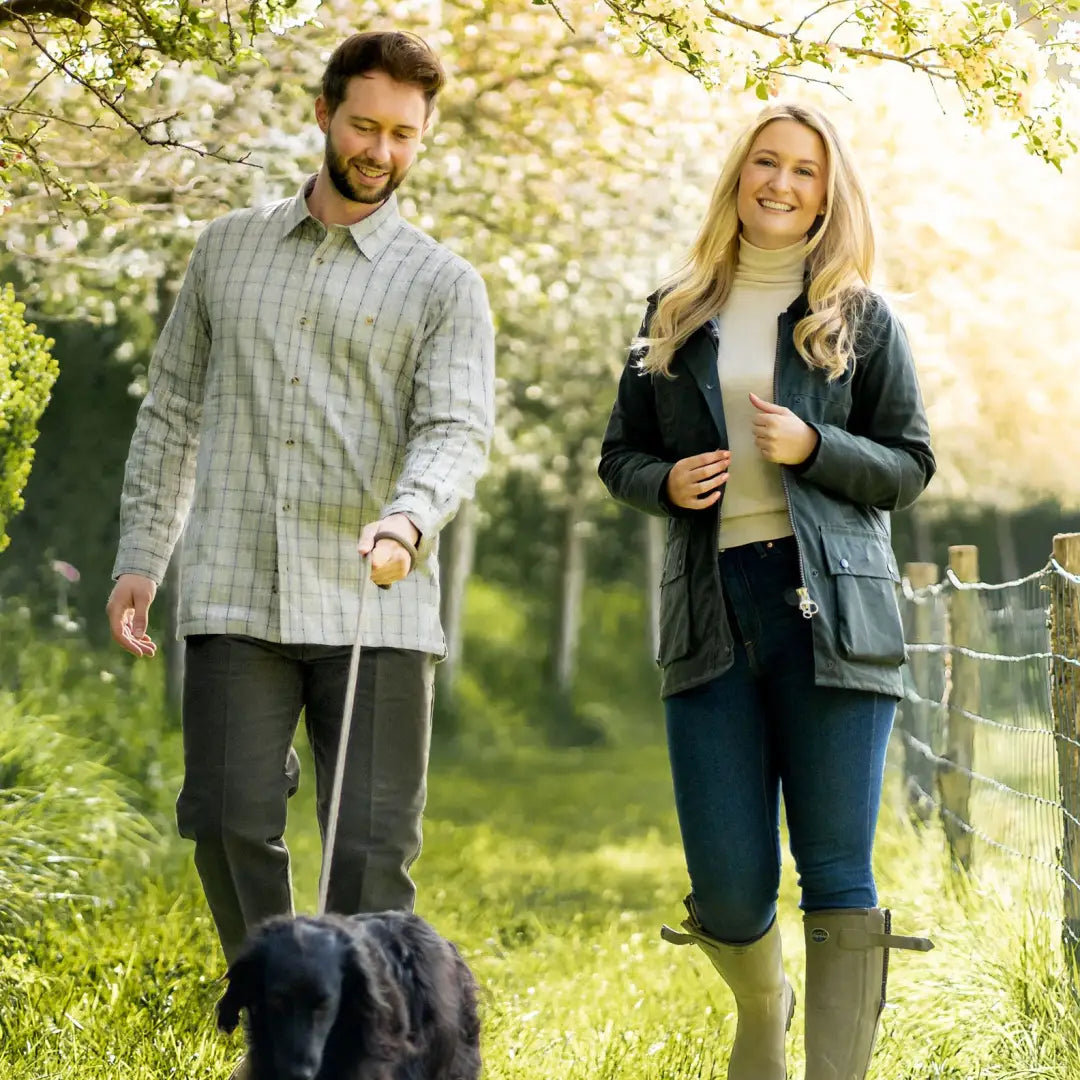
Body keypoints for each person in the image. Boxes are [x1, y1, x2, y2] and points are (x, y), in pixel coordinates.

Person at [106, 28, 494, 975]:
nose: (381, 153)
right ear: (323, 115)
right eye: (366, 127)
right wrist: (139, 558)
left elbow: (454, 429)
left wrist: (408, 516)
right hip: (236, 586)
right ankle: (283, 1016)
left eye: (405, 135)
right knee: (229, 818)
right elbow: (172, 411)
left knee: (367, 854)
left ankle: (365, 1039)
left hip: (377, 603)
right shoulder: (227, 252)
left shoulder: (444, 284)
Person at [598, 102, 935, 1080]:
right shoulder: (675, 309)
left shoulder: (861, 317)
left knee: (835, 873)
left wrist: (815, 446)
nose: (781, 184)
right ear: (738, 176)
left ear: (830, 193)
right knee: (733, 891)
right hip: (710, 612)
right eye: (766, 164)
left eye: (804, 171)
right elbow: (618, 453)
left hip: (835, 614)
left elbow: (911, 464)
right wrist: (661, 481)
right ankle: (762, 1008)